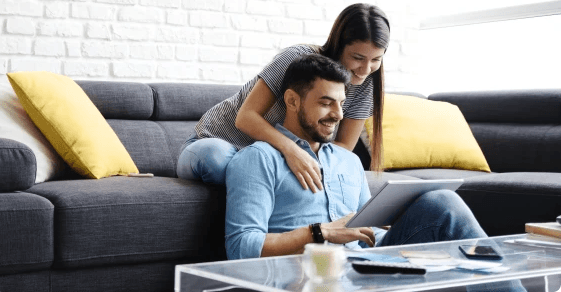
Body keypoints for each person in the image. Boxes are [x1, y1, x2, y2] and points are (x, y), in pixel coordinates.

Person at [225, 54, 526, 292]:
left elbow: (370, 231)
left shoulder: (347, 161)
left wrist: (400, 233)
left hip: (367, 267)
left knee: (442, 203)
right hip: (309, 276)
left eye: (341, 104)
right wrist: (321, 233)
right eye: (325, 103)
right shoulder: (258, 159)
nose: (338, 115)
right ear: (292, 100)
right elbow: (241, 248)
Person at [177, 3, 389, 191]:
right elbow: (246, 117)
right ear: (339, 45)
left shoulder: (366, 85)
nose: (365, 69)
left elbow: (343, 148)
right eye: (357, 58)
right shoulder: (297, 58)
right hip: (219, 143)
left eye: (376, 59)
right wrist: (292, 152)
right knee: (218, 161)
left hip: (269, 160)